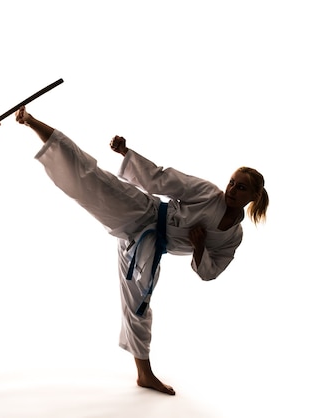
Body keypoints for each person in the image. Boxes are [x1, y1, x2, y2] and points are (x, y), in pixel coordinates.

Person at [15, 106, 268, 395]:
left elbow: (210, 272)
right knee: (90, 177)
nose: (232, 190)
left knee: (138, 306)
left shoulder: (233, 236)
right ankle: (32, 122)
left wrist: (199, 249)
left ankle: (144, 375)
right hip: (142, 213)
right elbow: (163, 179)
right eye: (232, 182)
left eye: (241, 188)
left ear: (254, 197)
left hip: (147, 247)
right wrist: (127, 153)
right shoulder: (210, 193)